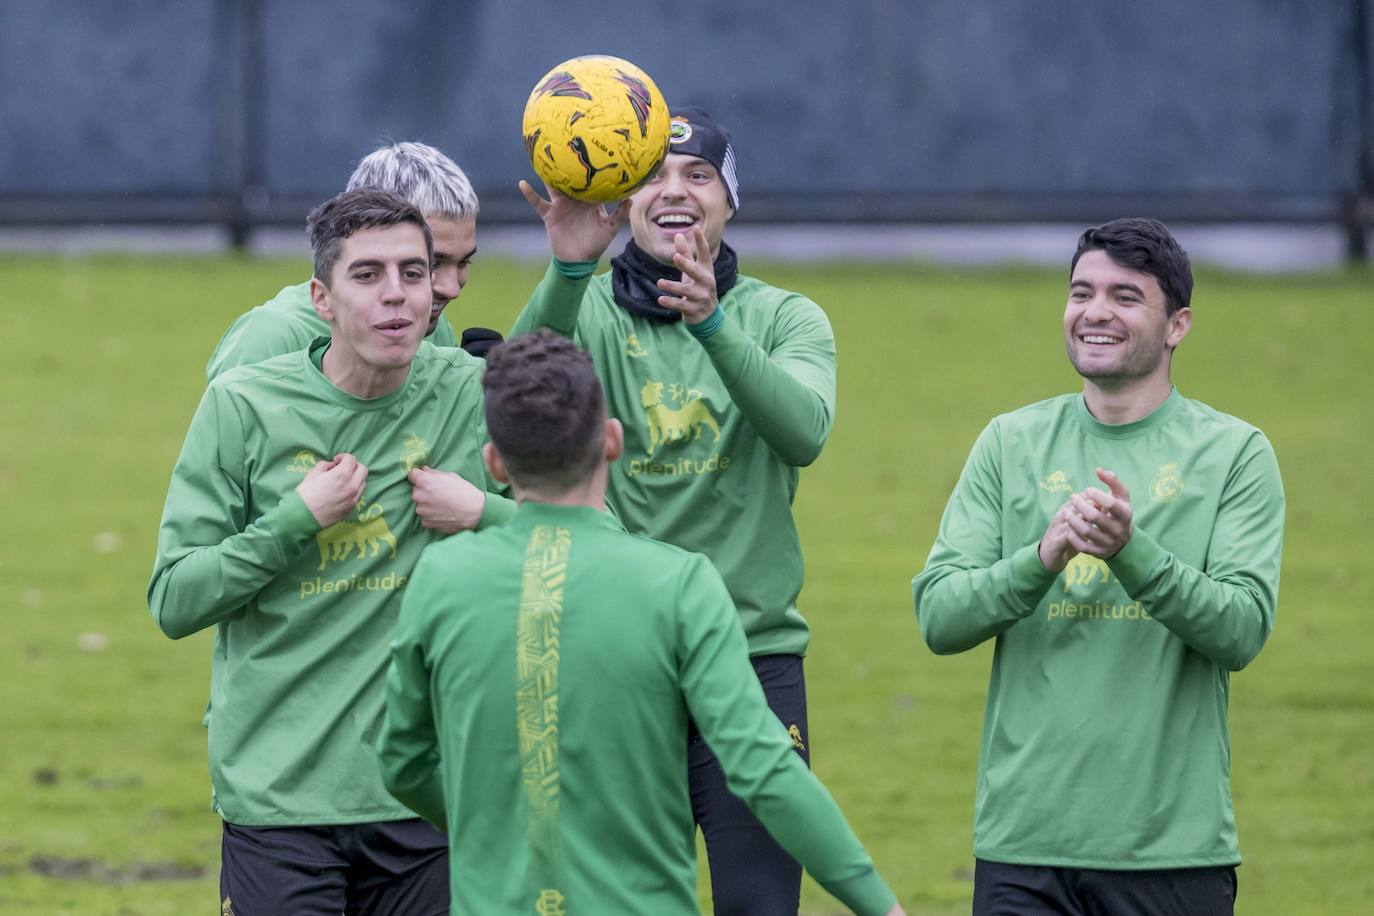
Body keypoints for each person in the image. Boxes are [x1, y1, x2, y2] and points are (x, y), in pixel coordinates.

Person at [377, 329, 905, 916]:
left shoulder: (441, 578)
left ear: (495, 461)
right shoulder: (678, 584)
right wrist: (880, 905)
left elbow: (402, 760)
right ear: (611, 441)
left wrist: (494, 821)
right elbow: (765, 771)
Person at [149, 188, 514, 915]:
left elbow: (592, 546)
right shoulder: (244, 406)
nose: (398, 297)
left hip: (429, 796)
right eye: (369, 275)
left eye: (415, 273)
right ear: (322, 297)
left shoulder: (471, 395)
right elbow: (175, 599)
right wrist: (293, 521)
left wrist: (484, 512)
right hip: (281, 801)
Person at [912, 218, 1285, 915]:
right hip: (1023, 847)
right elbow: (939, 615)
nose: (1095, 312)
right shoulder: (1009, 442)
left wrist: (1130, 553)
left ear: (1177, 326)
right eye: (1082, 292)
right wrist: (1042, 558)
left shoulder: (1234, 454)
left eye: (1125, 296)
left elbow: (1241, 630)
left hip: (1170, 851)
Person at [513, 106, 833, 914]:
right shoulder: (585, 311)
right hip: (616, 658)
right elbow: (510, 407)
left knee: (760, 904)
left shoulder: (783, 317)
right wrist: (565, 267)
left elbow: (803, 433)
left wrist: (715, 326)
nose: (675, 190)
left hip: (753, 660)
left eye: (699, 176)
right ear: (621, 200)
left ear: (730, 203)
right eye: (652, 174)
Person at [206, 141, 489, 381]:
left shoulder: (432, 328)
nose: (452, 288)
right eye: (433, 261)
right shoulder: (270, 340)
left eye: (463, 263)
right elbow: (229, 442)